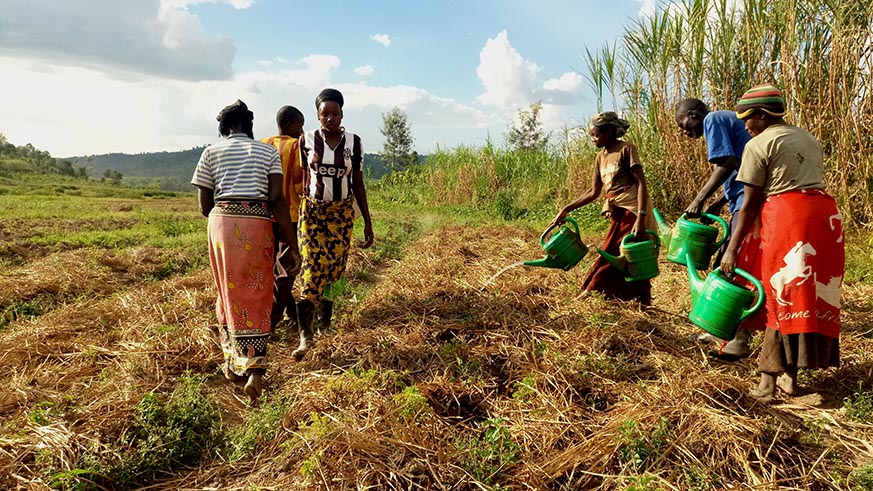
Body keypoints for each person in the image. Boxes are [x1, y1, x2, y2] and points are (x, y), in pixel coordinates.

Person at [721, 84, 844, 400]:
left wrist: (732, 250)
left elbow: (748, 205)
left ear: (762, 115)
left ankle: (767, 381)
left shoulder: (758, 145)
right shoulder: (806, 137)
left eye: (748, 119)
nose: (746, 126)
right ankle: (790, 376)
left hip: (789, 217)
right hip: (823, 217)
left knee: (781, 294)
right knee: (805, 295)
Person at [191, 100, 298, 401]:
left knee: (229, 291)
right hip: (258, 224)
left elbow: (203, 206)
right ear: (249, 127)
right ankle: (255, 369)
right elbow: (277, 200)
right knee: (258, 290)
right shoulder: (267, 152)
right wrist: (291, 241)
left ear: (224, 128)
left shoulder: (210, 152)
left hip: (222, 223)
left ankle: (233, 361)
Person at [293, 88, 374, 360]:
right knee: (312, 268)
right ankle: (306, 337)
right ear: (317, 116)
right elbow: (304, 177)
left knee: (335, 269)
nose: (330, 118)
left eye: (334, 113)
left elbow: (358, 183)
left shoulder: (354, 142)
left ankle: (325, 324)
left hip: (341, 216)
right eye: (324, 114)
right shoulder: (306, 140)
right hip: (313, 215)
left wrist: (367, 221)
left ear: (342, 114)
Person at [675, 98, 756, 360]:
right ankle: (722, 329)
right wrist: (718, 202)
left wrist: (698, 200)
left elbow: (728, 163)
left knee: (731, 264)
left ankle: (735, 337)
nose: (684, 132)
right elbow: (738, 166)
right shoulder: (724, 119)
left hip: (747, 201)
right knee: (724, 261)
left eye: (683, 125)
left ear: (693, 114)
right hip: (741, 198)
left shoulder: (713, 119)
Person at [550, 111, 655, 305]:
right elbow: (593, 191)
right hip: (617, 211)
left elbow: (641, 184)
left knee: (613, 253)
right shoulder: (600, 157)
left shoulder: (626, 149)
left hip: (632, 209)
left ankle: (591, 290)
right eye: (591, 136)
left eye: (596, 135)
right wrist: (567, 208)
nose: (593, 139)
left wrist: (641, 217)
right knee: (631, 254)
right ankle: (642, 299)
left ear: (609, 132)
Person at [260, 106, 305, 334]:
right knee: (287, 270)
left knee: (272, 267)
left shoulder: (262, 143)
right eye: (300, 125)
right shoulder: (297, 146)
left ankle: (291, 313)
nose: (302, 130)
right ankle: (270, 324)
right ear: (289, 125)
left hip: (263, 217)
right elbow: (299, 183)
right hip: (291, 216)